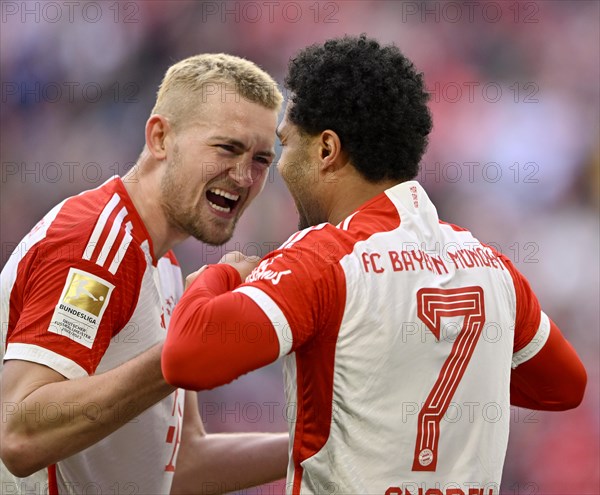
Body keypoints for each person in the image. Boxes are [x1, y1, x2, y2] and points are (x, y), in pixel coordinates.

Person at [161, 36, 587, 495]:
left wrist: (218, 275)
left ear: (326, 149)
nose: (279, 168)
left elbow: (187, 358)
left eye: (285, 145)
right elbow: (564, 386)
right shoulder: (491, 266)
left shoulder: (324, 259)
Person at [0, 54, 288, 494]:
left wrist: (317, 441)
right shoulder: (97, 246)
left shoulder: (164, 264)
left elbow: (180, 464)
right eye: (227, 148)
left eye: (262, 160)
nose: (245, 175)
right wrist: (182, 353)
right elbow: (19, 433)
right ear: (160, 138)